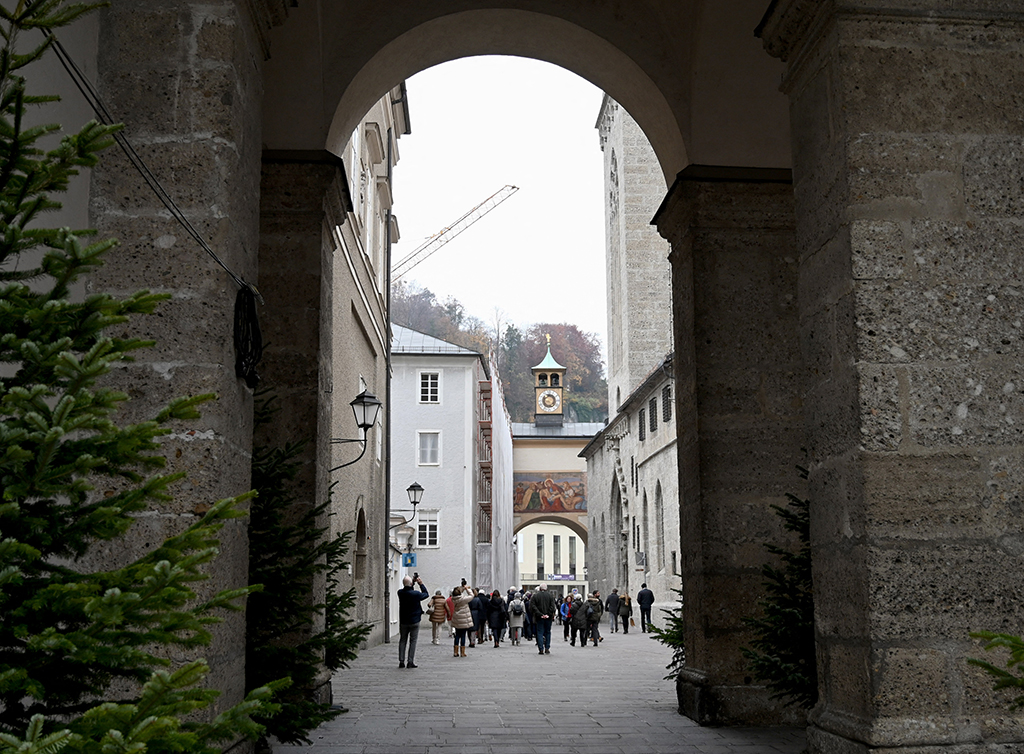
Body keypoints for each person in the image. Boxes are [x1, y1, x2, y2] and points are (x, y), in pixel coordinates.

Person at [396, 574, 429, 668]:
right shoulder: (416, 594)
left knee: (402, 640)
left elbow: (407, 588)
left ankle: (401, 661)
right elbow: (426, 594)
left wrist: (412, 582)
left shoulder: (400, 593)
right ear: (411, 584)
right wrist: (421, 584)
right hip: (415, 620)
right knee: (413, 641)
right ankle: (410, 661)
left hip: (404, 620)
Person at [530, 583, 558, 655]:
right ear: (546, 588)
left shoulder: (535, 596)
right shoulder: (550, 596)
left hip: (539, 617)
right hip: (548, 618)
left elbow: (532, 606)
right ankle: (547, 647)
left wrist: (540, 614)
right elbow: (553, 606)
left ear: (540, 588)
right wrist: (548, 614)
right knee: (548, 632)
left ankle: (541, 648)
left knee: (539, 632)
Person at [450, 584, 475, 657]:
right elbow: (471, 595)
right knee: (463, 635)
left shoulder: (453, 599)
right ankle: (462, 652)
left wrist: (462, 588)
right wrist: (467, 589)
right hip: (464, 618)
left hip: (457, 618)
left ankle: (455, 651)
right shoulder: (464, 599)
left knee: (457, 635)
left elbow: (457, 592)